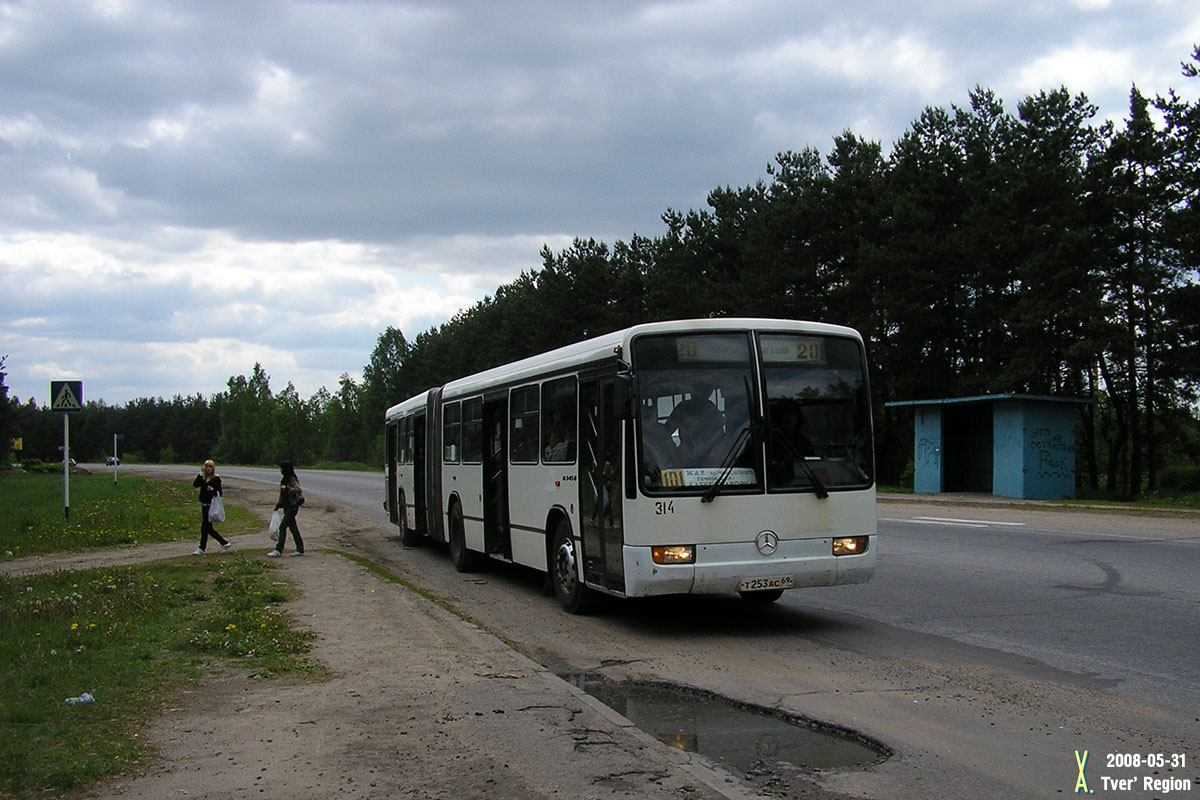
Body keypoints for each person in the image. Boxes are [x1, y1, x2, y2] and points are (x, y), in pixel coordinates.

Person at [192, 460, 230, 554]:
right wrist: (201, 474)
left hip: (211, 505)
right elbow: (195, 484)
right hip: (204, 505)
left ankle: (202, 548)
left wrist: (212, 490)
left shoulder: (216, 479)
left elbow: (219, 493)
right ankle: (224, 542)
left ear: (213, 468)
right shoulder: (203, 478)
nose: (208, 469)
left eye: (210, 467)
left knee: (205, 527)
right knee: (207, 527)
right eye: (206, 467)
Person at [267, 461, 305, 557]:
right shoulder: (284, 479)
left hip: (292, 507)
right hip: (287, 506)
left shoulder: (291, 479)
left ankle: (279, 549)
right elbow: (283, 496)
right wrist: (278, 505)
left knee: (282, 527)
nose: (280, 470)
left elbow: (298, 490)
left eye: (281, 468)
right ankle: (300, 548)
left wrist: (287, 488)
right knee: (293, 528)